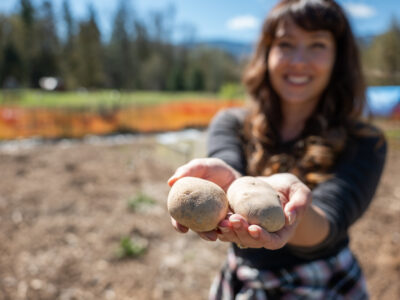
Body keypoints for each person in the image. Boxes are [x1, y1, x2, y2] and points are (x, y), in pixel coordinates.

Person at [167, 0, 387, 299]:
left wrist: (292, 211)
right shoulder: (230, 123)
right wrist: (225, 186)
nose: (298, 60)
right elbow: (226, 174)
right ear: (267, 53)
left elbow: (329, 224)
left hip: (325, 283)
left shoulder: (366, 142)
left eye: (317, 45)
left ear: (338, 58)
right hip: (245, 279)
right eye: (286, 43)